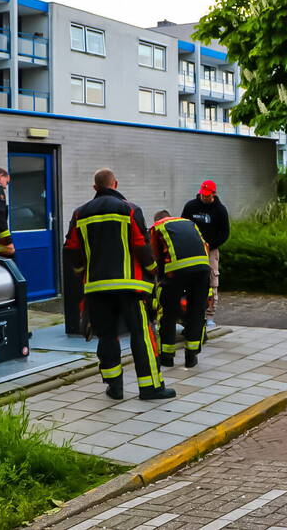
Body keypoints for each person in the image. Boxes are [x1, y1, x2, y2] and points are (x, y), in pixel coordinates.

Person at [64, 168, 175, 400]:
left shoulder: (79, 213)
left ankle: (114, 388)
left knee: (106, 335)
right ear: (115, 183)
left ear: (95, 187)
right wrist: (153, 270)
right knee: (140, 334)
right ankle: (150, 387)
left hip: (96, 288)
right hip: (130, 288)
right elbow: (140, 244)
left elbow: (71, 249)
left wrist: (81, 271)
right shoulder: (130, 209)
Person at [149, 210, 211, 368]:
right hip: (203, 269)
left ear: (157, 219)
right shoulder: (189, 223)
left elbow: (155, 256)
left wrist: (160, 277)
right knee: (196, 312)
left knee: (169, 312)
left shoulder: (157, 227)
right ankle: (191, 357)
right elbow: (205, 245)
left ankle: (167, 357)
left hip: (176, 272)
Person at [181, 180, 230, 327]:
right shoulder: (191, 206)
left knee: (212, 281)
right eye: (203, 194)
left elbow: (225, 233)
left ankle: (210, 317)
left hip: (211, 250)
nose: (205, 197)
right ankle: (191, 314)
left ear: (214, 194)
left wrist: (210, 245)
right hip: (193, 249)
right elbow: (183, 225)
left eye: (208, 195)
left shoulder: (220, 210)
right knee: (191, 280)